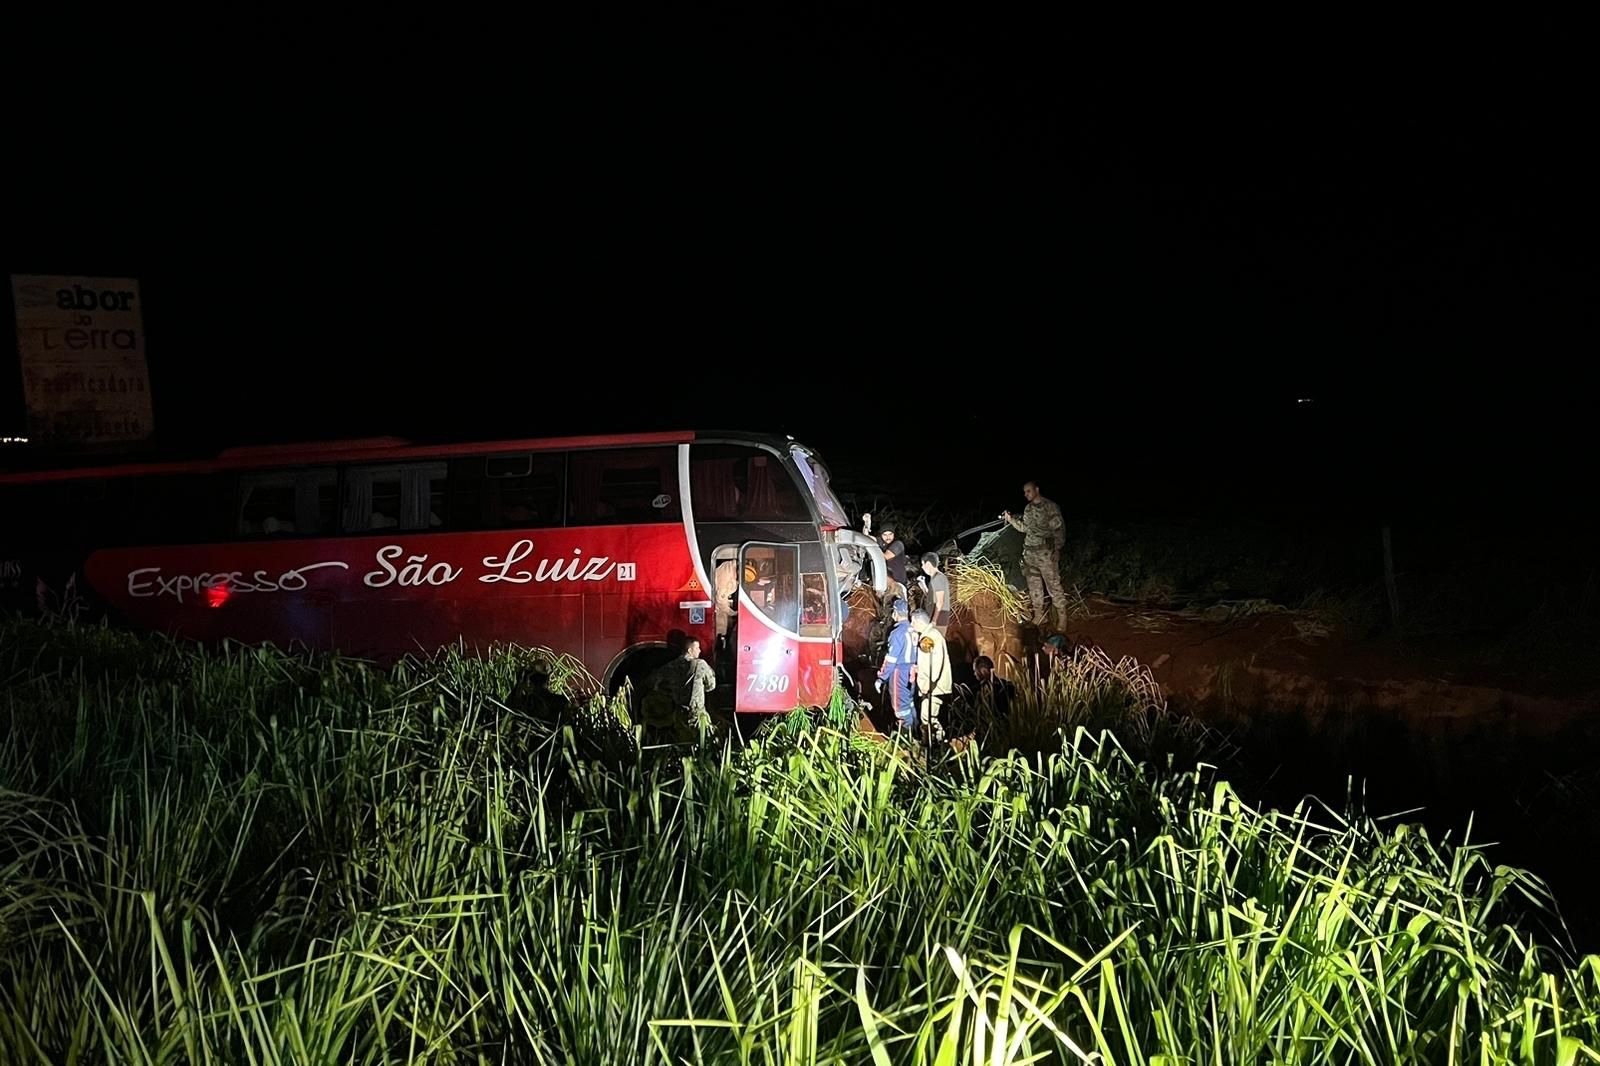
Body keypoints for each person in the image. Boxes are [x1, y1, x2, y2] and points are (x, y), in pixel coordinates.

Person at [1002, 480, 1068, 630]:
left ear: (1037, 489)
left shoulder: (1050, 507)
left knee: (1054, 586)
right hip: (1030, 553)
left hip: (1045, 553)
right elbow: (1026, 528)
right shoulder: (1028, 509)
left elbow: (1059, 530)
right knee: (1034, 587)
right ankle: (1039, 617)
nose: (1026, 494)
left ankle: (1062, 619)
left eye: (1028, 491)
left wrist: (1057, 549)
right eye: (1024, 492)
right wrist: (1011, 520)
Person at [642, 638, 718, 738]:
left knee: (683, 743)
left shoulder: (671, 666)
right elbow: (711, 685)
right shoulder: (700, 664)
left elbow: (653, 681)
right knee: (703, 744)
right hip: (697, 715)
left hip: (679, 714)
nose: (699, 650)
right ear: (690, 650)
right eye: (697, 648)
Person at [910, 608, 952, 742]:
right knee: (929, 715)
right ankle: (936, 740)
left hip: (933, 686)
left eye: (913, 622)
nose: (912, 625)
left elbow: (935, 663)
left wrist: (927, 684)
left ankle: (935, 742)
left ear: (918, 621)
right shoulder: (933, 634)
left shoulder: (929, 638)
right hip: (934, 685)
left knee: (927, 717)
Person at [875, 598, 916, 733]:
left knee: (900, 707)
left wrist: (881, 677)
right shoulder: (914, 630)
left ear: (896, 613)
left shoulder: (897, 633)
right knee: (909, 702)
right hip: (912, 671)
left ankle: (905, 738)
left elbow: (890, 660)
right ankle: (916, 732)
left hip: (900, 673)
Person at [963, 654, 1015, 719]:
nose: (974, 674)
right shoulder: (1007, 685)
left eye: (975, 671)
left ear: (983, 670)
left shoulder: (980, 691)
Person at [918, 552, 951, 633]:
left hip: (939, 617)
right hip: (937, 615)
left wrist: (934, 620)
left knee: (936, 641)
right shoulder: (936, 578)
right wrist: (923, 587)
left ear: (928, 564)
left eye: (923, 564)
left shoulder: (937, 578)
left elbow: (940, 602)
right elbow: (933, 598)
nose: (922, 567)